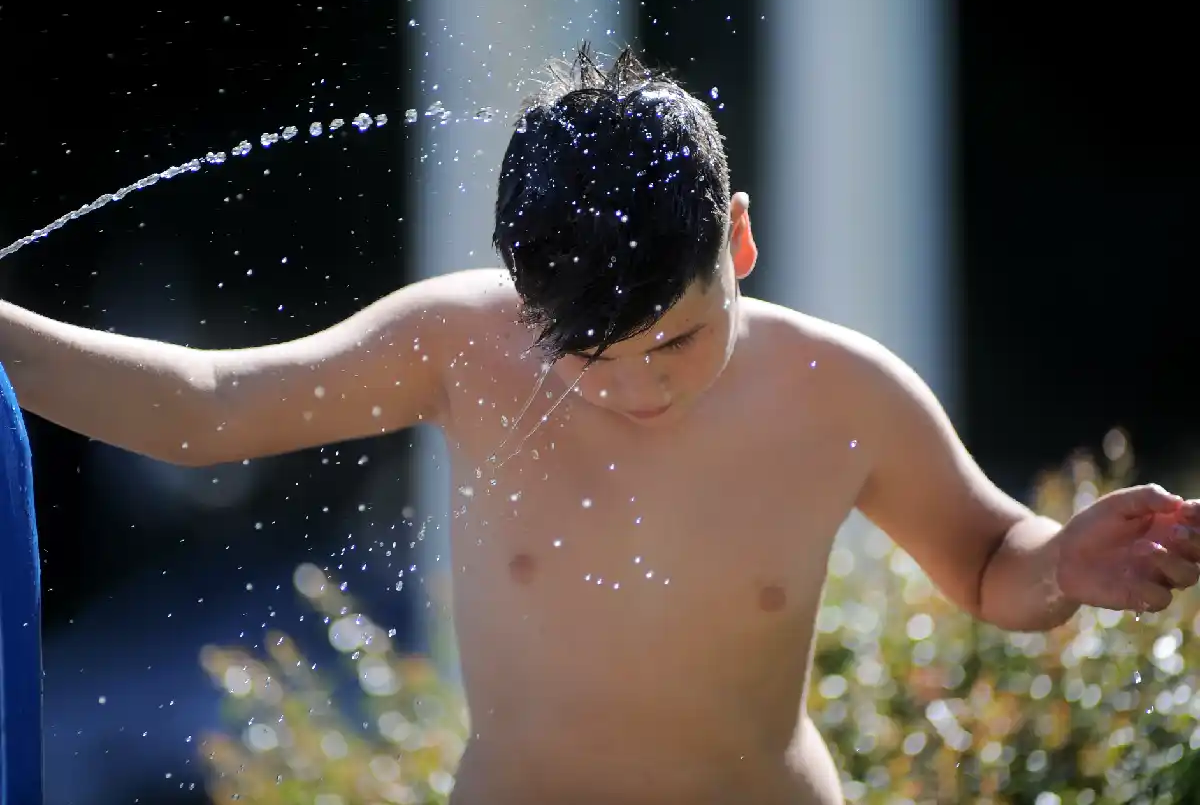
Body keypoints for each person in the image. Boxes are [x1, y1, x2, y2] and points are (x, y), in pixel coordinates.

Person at [3, 44, 1199, 805]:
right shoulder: (464, 349)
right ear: (523, 296)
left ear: (736, 240)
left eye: (676, 341)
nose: (639, 389)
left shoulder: (842, 392)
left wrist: (1065, 564)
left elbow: (988, 560)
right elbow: (204, 410)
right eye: (585, 358)